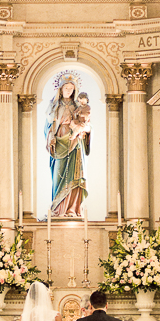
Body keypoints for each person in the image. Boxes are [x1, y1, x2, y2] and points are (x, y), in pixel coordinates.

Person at [44, 72, 90, 218]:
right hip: (59, 141)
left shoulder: (79, 106)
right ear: (60, 89)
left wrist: (84, 129)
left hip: (75, 142)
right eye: (66, 88)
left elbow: (87, 124)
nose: (69, 91)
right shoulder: (54, 106)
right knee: (58, 175)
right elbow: (48, 126)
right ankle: (58, 210)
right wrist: (51, 136)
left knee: (74, 174)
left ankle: (72, 209)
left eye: (71, 88)